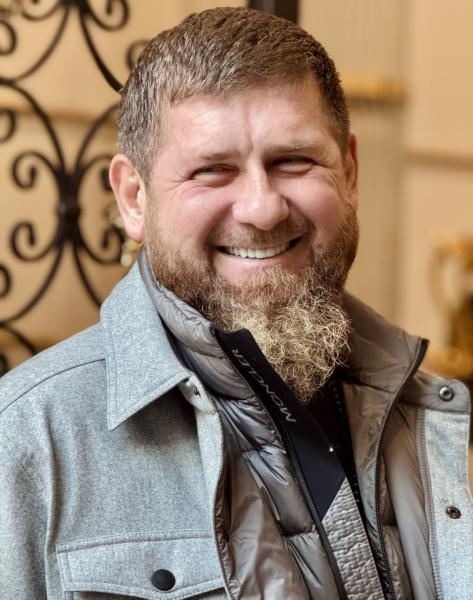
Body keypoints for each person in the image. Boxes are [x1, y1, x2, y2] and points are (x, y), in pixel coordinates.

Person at [0, 7, 471, 600]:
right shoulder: (26, 442)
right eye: (212, 170)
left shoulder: (437, 423)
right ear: (133, 199)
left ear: (349, 172)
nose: (263, 208)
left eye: (293, 161)